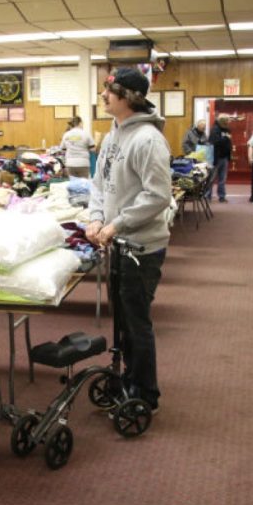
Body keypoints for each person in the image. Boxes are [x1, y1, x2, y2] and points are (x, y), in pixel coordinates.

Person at [86, 68, 173, 413]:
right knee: (121, 319)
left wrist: (116, 224)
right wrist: (96, 218)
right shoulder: (112, 136)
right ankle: (128, 378)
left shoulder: (148, 140)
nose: (103, 97)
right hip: (118, 243)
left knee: (136, 322)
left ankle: (145, 393)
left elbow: (158, 196)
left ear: (128, 97)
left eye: (110, 91)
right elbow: (99, 184)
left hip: (142, 248)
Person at [209, 114, 232, 203]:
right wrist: (225, 138)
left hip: (225, 157)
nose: (228, 122)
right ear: (223, 121)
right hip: (216, 157)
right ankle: (208, 196)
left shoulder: (227, 129)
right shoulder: (215, 129)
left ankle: (222, 196)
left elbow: (229, 143)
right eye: (227, 120)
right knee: (211, 178)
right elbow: (214, 142)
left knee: (222, 179)